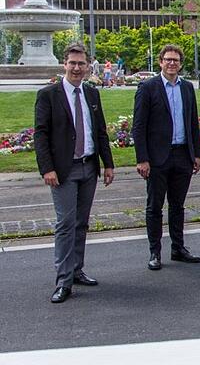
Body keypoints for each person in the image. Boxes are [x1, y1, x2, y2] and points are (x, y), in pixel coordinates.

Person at [34, 43, 115, 303]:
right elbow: (41, 135)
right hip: (63, 170)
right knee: (65, 225)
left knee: (81, 223)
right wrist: (47, 168)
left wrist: (108, 164)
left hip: (89, 167)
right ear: (64, 65)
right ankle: (63, 280)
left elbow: (100, 131)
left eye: (81, 64)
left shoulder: (92, 93)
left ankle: (76, 269)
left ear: (88, 66)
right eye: (72, 63)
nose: (77, 68)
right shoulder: (49, 94)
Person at [132, 44, 200, 271]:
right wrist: (142, 158)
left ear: (181, 64)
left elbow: (193, 122)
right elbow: (139, 126)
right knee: (154, 206)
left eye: (176, 60)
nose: (172, 63)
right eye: (168, 59)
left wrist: (197, 154)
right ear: (161, 62)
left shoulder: (187, 88)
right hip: (157, 158)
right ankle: (155, 252)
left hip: (182, 155)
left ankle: (178, 248)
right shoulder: (148, 87)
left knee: (178, 206)